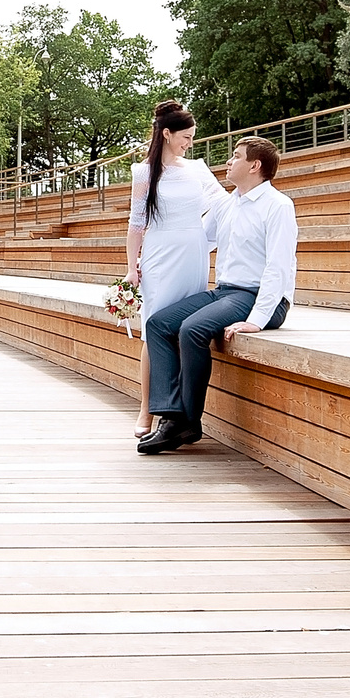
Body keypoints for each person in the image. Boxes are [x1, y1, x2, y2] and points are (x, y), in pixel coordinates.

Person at [137, 135, 295, 454]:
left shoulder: (278, 206)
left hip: (260, 297)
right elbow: (199, 241)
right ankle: (170, 413)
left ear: (255, 165)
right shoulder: (228, 205)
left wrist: (258, 319)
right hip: (225, 292)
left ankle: (187, 422)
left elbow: (279, 267)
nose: (228, 161)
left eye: (235, 156)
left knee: (192, 329)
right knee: (157, 323)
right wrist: (152, 262)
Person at [125, 100, 219, 441]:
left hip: (194, 252)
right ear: (167, 133)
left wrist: (203, 237)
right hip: (160, 253)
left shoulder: (197, 168)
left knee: (185, 328)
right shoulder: (143, 172)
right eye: (186, 136)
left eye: (193, 137)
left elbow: (222, 207)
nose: (190, 143)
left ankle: (175, 412)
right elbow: (137, 224)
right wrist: (131, 268)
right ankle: (146, 408)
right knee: (155, 330)